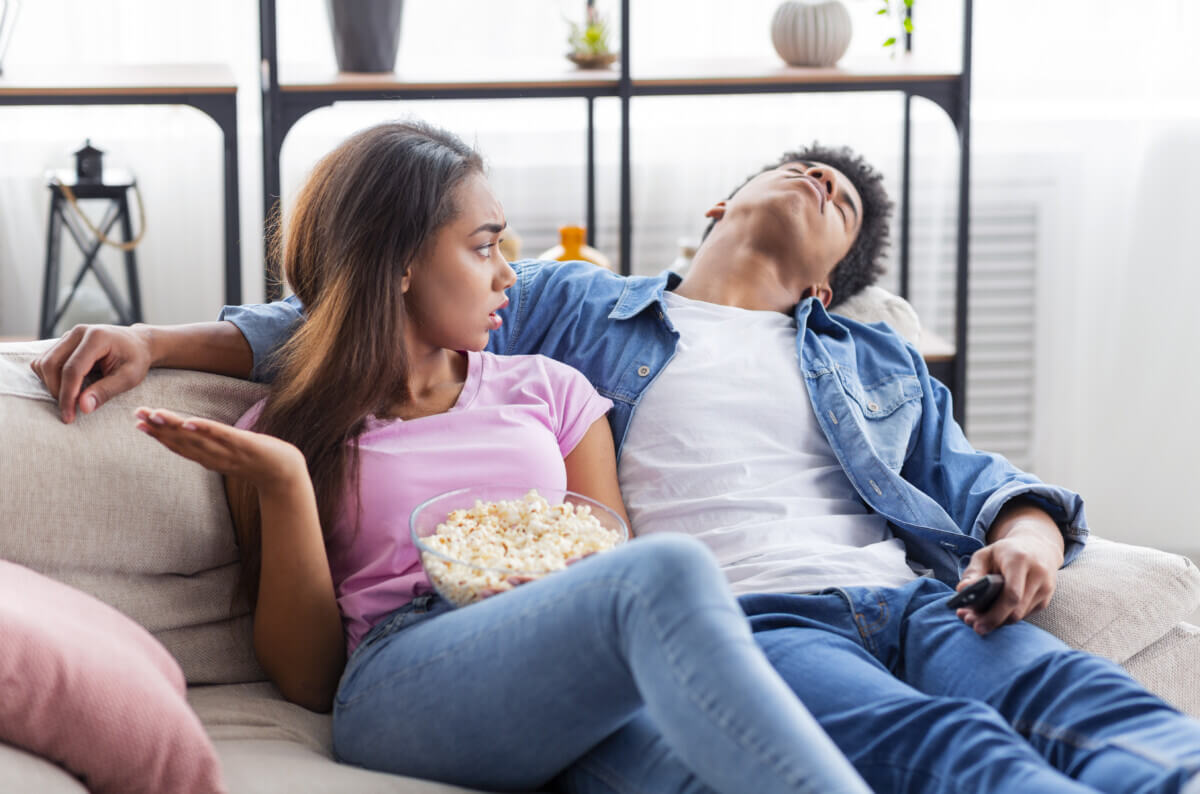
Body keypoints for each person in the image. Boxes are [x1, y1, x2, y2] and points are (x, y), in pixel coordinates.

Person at [32, 128, 1200, 793]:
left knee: (1082, 702)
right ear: (717, 203)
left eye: (846, 204)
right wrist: (150, 339)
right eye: (801, 166)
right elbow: (330, 307)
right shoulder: (583, 313)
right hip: (741, 617)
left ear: (834, 283)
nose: (827, 180)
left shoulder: (866, 360)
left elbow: (990, 478)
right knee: (936, 736)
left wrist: (1025, 536)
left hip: (896, 596)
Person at [107, 121, 869, 794]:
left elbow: (604, 557)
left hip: (566, 670)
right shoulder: (286, 429)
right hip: (400, 682)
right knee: (670, 567)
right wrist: (284, 480)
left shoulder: (555, 392)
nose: (510, 272)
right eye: (483, 247)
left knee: (686, 773)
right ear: (400, 262)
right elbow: (309, 682)